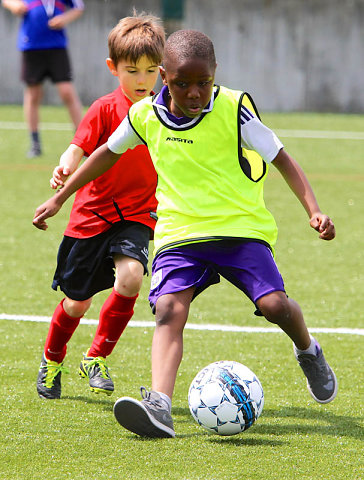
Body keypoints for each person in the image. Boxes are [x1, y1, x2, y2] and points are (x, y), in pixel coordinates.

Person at [33, 29, 338, 436]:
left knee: (274, 306)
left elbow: (281, 158)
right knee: (169, 310)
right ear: (163, 76)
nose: (194, 93)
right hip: (181, 233)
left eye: (203, 83)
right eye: (182, 84)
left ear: (216, 74)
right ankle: (159, 405)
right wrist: (59, 199)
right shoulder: (144, 115)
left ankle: (308, 350)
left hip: (240, 228)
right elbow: (105, 152)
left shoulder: (235, 108)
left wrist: (314, 210)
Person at [33, 13, 165, 400]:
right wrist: (65, 165)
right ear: (113, 68)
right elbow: (78, 146)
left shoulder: (165, 110)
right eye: (132, 71)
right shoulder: (105, 108)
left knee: (131, 278)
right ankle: (52, 359)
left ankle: (96, 358)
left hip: (139, 212)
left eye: (151, 70)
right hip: (92, 214)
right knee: (77, 302)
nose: (142, 80)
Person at [2, 0, 84, 157]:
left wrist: (64, 19)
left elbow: (78, 7)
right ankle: (35, 144)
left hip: (57, 46)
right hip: (31, 45)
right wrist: (15, 6)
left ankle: (83, 142)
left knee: (67, 92)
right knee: (33, 95)